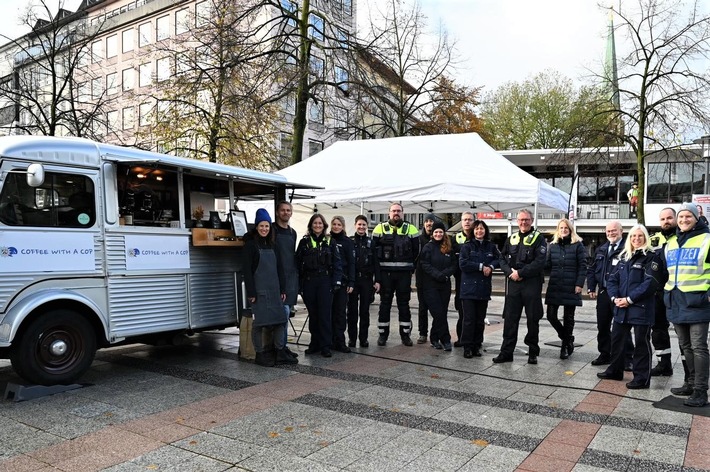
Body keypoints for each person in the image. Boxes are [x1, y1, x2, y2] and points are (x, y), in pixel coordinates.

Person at [597, 224, 660, 389]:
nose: (636, 239)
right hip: (621, 307)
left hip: (640, 308)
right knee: (617, 340)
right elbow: (612, 279)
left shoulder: (652, 257)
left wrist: (629, 299)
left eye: (640, 236)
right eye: (633, 236)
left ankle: (641, 378)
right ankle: (615, 370)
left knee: (641, 343)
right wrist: (614, 298)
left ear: (645, 238)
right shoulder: (624, 257)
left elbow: (650, 283)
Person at [664, 203, 710, 407]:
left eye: (688, 216)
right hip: (676, 301)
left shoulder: (707, 239)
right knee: (685, 346)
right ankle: (690, 384)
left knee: (699, 347)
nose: (683, 220)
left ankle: (701, 390)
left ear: (696, 217)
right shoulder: (672, 241)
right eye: (681, 216)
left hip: (698, 301)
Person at [242, 208, 297, 367]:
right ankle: (259, 354)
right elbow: (247, 271)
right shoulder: (250, 245)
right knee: (259, 323)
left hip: (275, 290)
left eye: (267, 226)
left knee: (281, 320)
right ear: (257, 227)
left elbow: (280, 269)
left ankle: (280, 351)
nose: (264, 229)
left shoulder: (274, 245)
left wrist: (283, 290)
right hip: (259, 292)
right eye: (261, 226)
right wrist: (251, 292)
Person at [493, 209, 547, 364]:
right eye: (521, 220)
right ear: (517, 221)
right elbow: (501, 259)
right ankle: (506, 353)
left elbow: (540, 262)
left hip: (531, 283)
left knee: (533, 319)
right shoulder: (511, 238)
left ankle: (532, 353)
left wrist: (521, 273)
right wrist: (510, 273)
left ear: (532, 221)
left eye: (527, 220)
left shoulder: (539, 239)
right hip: (513, 284)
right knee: (510, 319)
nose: (524, 222)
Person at [586, 220, 634, 368]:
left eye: (614, 230)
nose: (611, 233)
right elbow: (592, 269)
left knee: (622, 326)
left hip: (620, 294)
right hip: (603, 293)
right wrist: (591, 287)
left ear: (621, 231)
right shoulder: (601, 249)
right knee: (603, 326)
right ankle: (605, 354)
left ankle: (627, 358)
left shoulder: (628, 248)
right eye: (608, 231)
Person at [372, 203, 420, 346]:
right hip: (385, 274)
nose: (396, 213)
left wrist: (410, 270)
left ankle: (405, 335)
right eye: (393, 211)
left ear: (403, 213)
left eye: (398, 211)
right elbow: (373, 252)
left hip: (404, 275)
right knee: (384, 304)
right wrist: (377, 276)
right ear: (389, 213)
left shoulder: (411, 228)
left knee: (404, 305)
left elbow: (417, 252)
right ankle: (382, 335)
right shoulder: (379, 228)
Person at [296, 213, 343, 358]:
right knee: (313, 315)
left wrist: (336, 282)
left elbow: (337, 263)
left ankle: (325, 345)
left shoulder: (330, 242)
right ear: (311, 225)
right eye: (315, 223)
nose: (317, 225)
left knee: (324, 315)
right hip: (309, 282)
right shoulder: (304, 242)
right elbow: (297, 265)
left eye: (320, 223)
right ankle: (314, 343)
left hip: (325, 281)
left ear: (324, 226)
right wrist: (299, 285)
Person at [649, 208, 684, 378]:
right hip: (657, 293)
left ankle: (689, 371)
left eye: (669, 218)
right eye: (662, 219)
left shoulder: (684, 238)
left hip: (678, 292)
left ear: (676, 219)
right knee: (658, 330)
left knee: (683, 332)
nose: (666, 221)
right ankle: (664, 365)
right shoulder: (654, 239)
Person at [545, 218, 587, 359]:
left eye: (566, 228)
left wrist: (579, 284)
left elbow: (583, 266)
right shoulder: (553, 245)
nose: (563, 230)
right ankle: (568, 339)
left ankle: (564, 347)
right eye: (561, 228)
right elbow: (547, 265)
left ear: (570, 230)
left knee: (568, 317)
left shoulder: (578, 245)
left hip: (571, 285)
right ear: (558, 230)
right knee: (551, 315)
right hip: (555, 284)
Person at [459, 219, 500, 358]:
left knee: (479, 320)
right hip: (469, 290)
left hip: (483, 289)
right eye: (476, 229)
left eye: (482, 229)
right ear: (473, 231)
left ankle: (477, 345)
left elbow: (498, 259)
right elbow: (463, 264)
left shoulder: (491, 246)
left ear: (485, 231)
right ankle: (467, 347)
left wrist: (492, 266)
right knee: (469, 320)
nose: (479, 231)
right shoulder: (467, 246)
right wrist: (482, 267)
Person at [419, 220, 457, 351]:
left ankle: (434, 338)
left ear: (444, 233)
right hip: (430, 286)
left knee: (442, 313)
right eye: (436, 232)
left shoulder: (448, 246)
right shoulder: (428, 247)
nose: (438, 234)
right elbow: (425, 264)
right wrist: (437, 274)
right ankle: (446, 339)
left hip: (444, 285)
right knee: (438, 313)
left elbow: (454, 264)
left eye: (440, 231)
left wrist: (445, 274)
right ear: (432, 233)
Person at [347, 215, 380, 348]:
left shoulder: (371, 243)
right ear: (355, 225)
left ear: (367, 227)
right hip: (353, 281)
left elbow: (376, 263)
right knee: (352, 311)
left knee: (365, 311)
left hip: (366, 281)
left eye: (364, 225)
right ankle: (352, 338)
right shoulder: (350, 241)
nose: (361, 227)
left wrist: (377, 280)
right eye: (359, 224)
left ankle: (363, 338)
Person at [273, 200, 299, 359]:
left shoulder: (292, 232)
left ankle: (283, 346)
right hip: (275, 278)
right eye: (283, 210)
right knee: (281, 315)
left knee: (286, 314)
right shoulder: (271, 229)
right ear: (277, 212)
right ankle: (279, 348)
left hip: (290, 278)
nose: (286, 213)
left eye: (288, 210)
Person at [330, 215, 356, 353]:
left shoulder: (347, 242)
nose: (336, 227)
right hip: (328, 282)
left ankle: (340, 341)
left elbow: (352, 263)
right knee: (328, 313)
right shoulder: (327, 240)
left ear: (343, 227)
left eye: (339, 224)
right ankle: (328, 340)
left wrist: (351, 281)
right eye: (334, 224)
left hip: (343, 282)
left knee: (340, 313)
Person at [453, 211, 475, 347]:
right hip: (460, 280)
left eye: (470, 219)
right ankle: (461, 338)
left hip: (475, 280)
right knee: (462, 312)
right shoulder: (455, 238)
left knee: (475, 314)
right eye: (464, 219)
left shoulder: (478, 237)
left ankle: (474, 340)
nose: (467, 222)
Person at [415, 213, 436, 343]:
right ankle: (423, 333)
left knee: (436, 308)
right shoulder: (418, 239)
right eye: (427, 221)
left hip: (435, 280)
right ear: (424, 224)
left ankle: (436, 333)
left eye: (431, 221)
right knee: (423, 308)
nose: (429, 223)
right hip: (422, 279)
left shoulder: (440, 238)